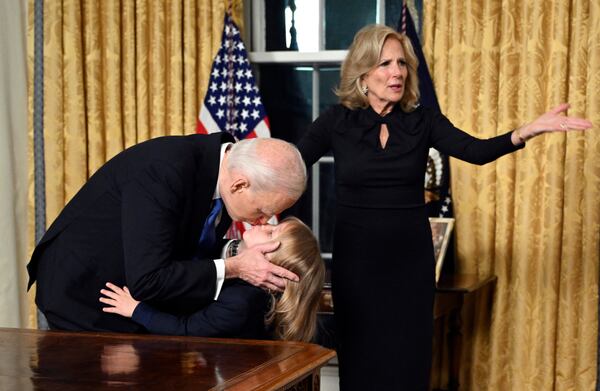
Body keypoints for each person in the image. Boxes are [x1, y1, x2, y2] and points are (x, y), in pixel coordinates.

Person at [297, 24, 593, 390]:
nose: (397, 72)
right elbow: (293, 165)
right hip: (356, 266)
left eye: (402, 63)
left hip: (410, 266)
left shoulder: (422, 121)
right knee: (360, 366)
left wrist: (525, 132)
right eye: (385, 64)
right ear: (363, 73)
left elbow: (476, 151)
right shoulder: (335, 121)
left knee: (408, 365)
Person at [27, 133, 307, 333]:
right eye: (261, 210)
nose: (262, 221)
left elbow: (184, 242)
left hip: (131, 290)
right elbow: (149, 279)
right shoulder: (165, 170)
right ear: (239, 185)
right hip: (83, 291)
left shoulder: (222, 171)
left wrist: (237, 253)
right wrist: (234, 268)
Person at [99, 217, 325, 342]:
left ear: (269, 261)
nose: (265, 223)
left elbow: (186, 330)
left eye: (271, 233)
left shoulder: (242, 301)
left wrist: (136, 309)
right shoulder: (249, 292)